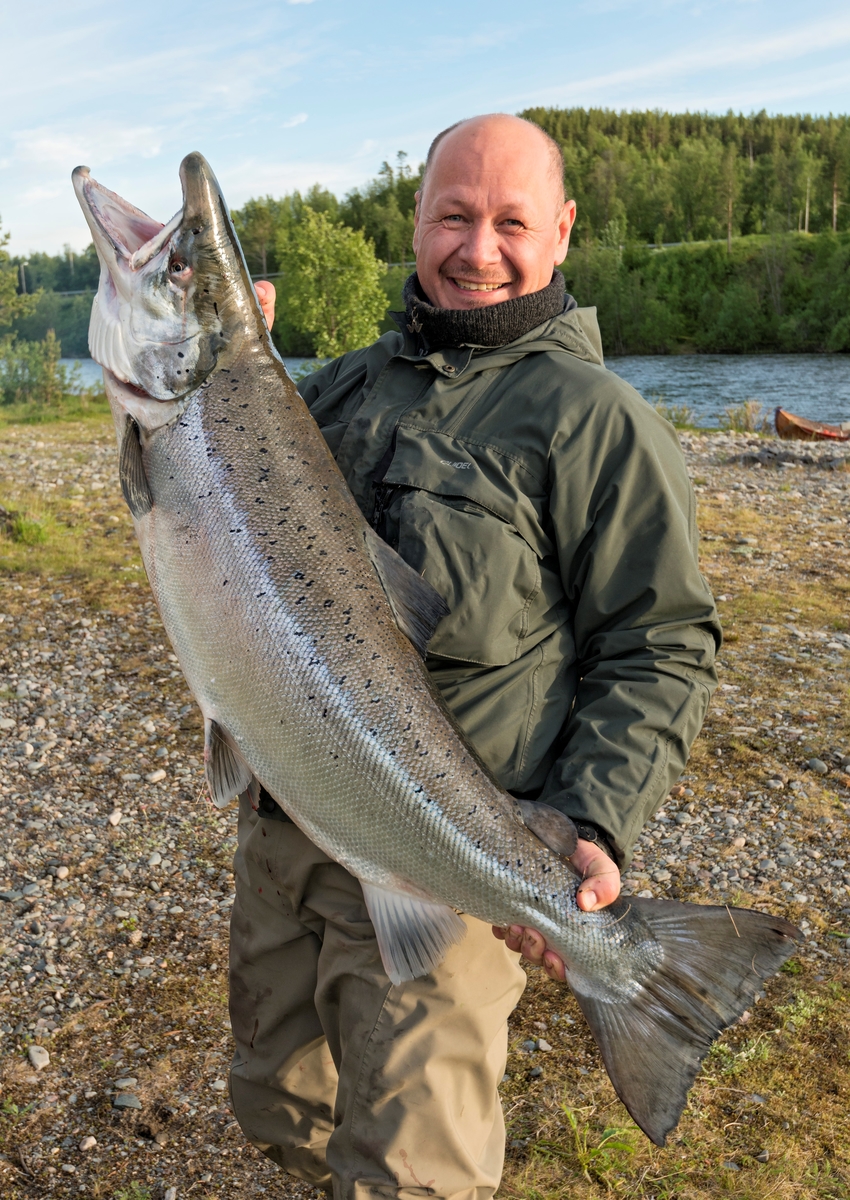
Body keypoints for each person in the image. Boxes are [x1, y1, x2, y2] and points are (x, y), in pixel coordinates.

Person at [232, 113, 719, 1200]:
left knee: (412, 1173)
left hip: (450, 865)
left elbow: (661, 643)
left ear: (561, 230)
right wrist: (242, 371)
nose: (478, 249)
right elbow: (239, 525)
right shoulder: (347, 387)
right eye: (453, 215)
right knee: (275, 1102)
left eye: (509, 221)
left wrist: (588, 819)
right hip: (292, 827)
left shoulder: (599, 420)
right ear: (416, 220)